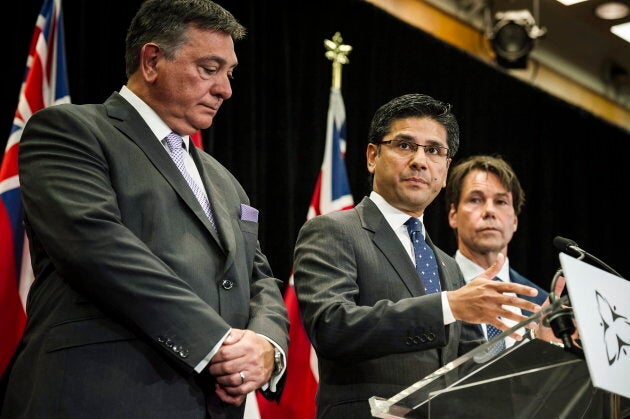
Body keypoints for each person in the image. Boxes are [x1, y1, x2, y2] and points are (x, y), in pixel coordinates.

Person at [0, 1, 288, 418]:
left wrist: (266, 345)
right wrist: (217, 343)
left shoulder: (227, 182)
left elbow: (259, 276)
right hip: (101, 396)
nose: (226, 89)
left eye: (229, 73)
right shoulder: (70, 131)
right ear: (152, 60)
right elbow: (97, 248)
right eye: (210, 68)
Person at [292, 93, 543, 418]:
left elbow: (473, 370)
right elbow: (332, 327)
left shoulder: (447, 266)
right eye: (405, 145)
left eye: (434, 151)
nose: (420, 161)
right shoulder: (334, 230)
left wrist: (538, 346)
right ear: (372, 155)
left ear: (445, 168)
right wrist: (446, 306)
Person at [444, 154, 548, 348]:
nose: (489, 211)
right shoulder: (431, 288)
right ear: (453, 215)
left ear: (515, 221)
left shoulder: (541, 303)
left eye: (501, 202)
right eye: (475, 200)